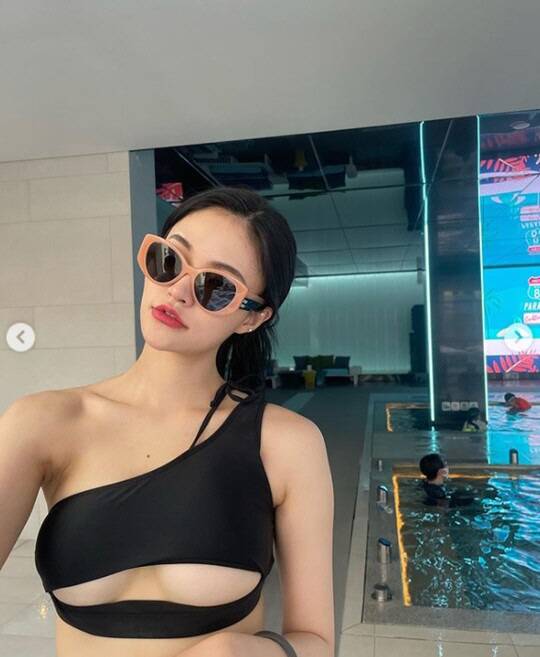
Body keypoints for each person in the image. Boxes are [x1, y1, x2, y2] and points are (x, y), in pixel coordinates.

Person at [2, 187, 335, 657]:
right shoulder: (44, 423)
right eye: (169, 261)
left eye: (216, 287)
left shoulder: (285, 443)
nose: (177, 291)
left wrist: (237, 652)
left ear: (252, 318)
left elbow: (316, 641)